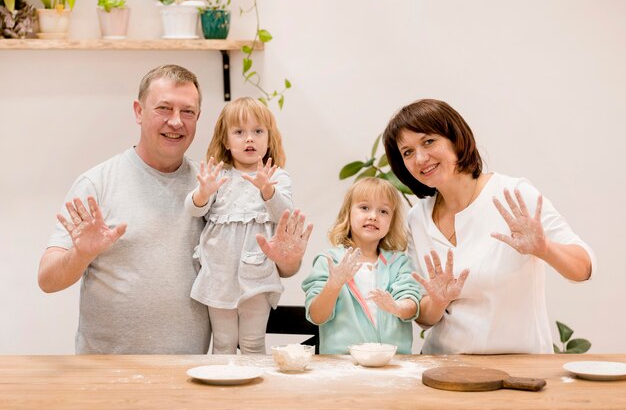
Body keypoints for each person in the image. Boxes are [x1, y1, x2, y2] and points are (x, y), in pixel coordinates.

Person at [38, 65, 312, 354]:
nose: (176, 122)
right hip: (108, 376)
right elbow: (47, 279)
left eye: (188, 112)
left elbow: (278, 264)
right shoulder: (98, 183)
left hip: (189, 376)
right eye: (164, 108)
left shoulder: (213, 183)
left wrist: (288, 261)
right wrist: (81, 253)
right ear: (138, 111)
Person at [382, 98, 596, 354]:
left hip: (520, 369)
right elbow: (425, 317)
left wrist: (544, 248)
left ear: (455, 139)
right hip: (443, 367)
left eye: (429, 141)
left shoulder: (513, 194)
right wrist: (440, 300)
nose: (420, 158)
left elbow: (583, 268)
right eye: (407, 152)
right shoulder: (418, 217)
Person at [184, 97, 296, 354]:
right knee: (222, 343)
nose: (249, 139)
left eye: (258, 131)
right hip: (218, 273)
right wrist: (203, 192)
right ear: (226, 140)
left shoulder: (277, 177)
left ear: (269, 138)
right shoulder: (218, 176)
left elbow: (286, 214)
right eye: (239, 132)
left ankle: (254, 393)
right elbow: (192, 209)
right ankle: (223, 390)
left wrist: (268, 190)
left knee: (253, 342)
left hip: (258, 273)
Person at [302, 177, 464, 354]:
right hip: (342, 364)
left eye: (383, 211)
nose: (373, 216)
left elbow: (411, 303)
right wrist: (333, 286)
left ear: (391, 222)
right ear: (347, 214)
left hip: (393, 363)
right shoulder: (329, 261)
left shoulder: (399, 263)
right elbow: (317, 316)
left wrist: (397, 307)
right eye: (364, 208)